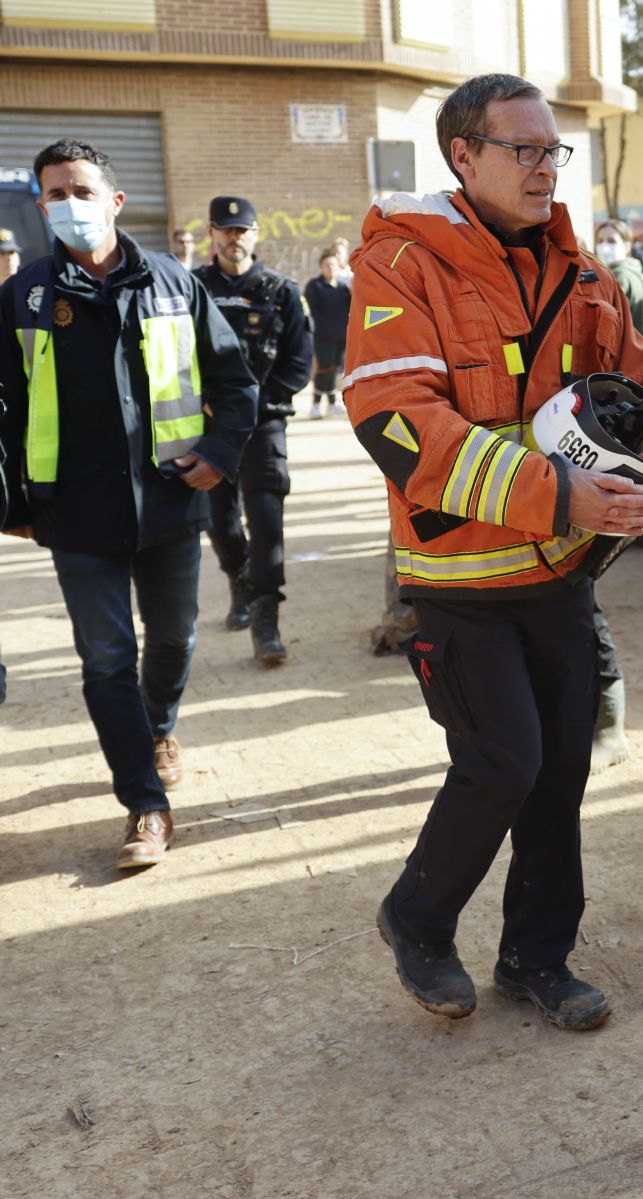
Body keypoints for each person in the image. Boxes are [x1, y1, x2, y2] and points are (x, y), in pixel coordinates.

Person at [344, 73, 643, 1031]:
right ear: (465, 155)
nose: (547, 168)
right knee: (503, 760)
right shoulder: (401, 263)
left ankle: (537, 959)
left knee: (561, 774)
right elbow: (393, 419)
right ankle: (417, 917)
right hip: (457, 575)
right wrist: (561, 494)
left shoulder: (583, 275)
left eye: (554, 151)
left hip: (562, 575)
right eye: (525, 150)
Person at [0, 138, 257, 870]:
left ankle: (161, 726)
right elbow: (1, 404)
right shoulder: (24, 298)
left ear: (114, 201)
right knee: (107, 658)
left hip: (170, 503)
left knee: (174, 637)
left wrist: (214, 454)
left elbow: (235, 383)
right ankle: (145, 804)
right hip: (73, 513)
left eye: (81, 190)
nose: (68, 205)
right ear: (41, 205)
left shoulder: (175, 283)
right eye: (54, 193)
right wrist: (11, 499)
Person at [195, 196, 314, 664]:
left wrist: (251, 404)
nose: (234, 237)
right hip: (207, 427)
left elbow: (297, 364)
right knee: (219, 522)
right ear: (212, 233)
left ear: (256, 233)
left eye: (242, 229)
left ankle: (267, 619)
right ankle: (239, 582)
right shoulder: (192, 289)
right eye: (226, 229)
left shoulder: (280, 291)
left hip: (263, 425)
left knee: (267, 524)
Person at [303, 249, 352, 417]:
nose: (330, 268)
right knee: (324, 368)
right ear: (321, 267)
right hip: (322, 336)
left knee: (335, 369)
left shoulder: (343, 288)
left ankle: (332, 404)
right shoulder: (315, 286)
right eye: (327, 265)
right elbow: (312, 312)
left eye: (333, 264)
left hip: (341, 336)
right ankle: (316, 405)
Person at [593, 218, 643, 324]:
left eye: (612, 241)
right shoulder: (632, 269)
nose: (604, 247)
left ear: (627, 246)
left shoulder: (618, 276)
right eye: (600, 241)